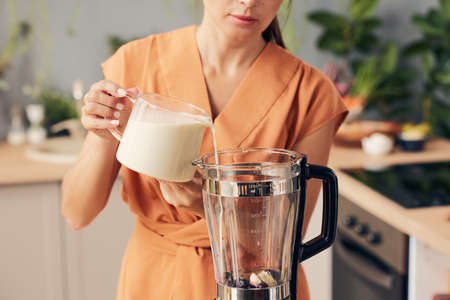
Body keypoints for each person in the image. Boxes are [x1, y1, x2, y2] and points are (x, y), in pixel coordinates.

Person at [61, 0, 348, 299]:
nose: (249, 2)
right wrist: (102, 133)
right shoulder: (136, 62)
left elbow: (287, 248)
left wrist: (207, 204)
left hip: (257, 288)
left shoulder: (311, 93)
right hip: (155, 282)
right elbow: (77, 213)